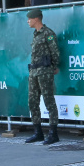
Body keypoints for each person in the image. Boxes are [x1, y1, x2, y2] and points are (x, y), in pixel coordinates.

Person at [24, 8, 60, 145]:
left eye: (29, 19)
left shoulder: (48, 33)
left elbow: (55, 52)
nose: (28, 21)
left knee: (49, 101)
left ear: (36, 19)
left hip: (44, 71)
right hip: (34, 71)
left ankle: (53, 133)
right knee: (32, 101)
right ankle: (38, 132)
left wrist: (53, 67)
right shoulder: (36, 34)